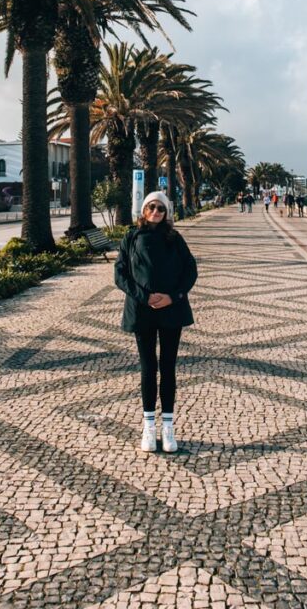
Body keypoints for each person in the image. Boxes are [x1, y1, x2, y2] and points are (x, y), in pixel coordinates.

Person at [114, 191, 198, 454]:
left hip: (171, 311)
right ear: (143, 209)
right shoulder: (131, 236)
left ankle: (168, 426)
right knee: (148, 368)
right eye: (151, 207)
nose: (156, 212)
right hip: (142, 310)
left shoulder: (174, 238)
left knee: (169, 367)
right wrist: (145, 297)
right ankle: (149, 425)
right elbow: (120, 273)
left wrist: (172, 297)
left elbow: (190, 270)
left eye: (161, 208)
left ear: (167, 213)